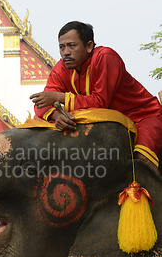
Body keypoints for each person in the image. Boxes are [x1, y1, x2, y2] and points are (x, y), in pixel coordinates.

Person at [30, 21, 162, 172]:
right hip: (107, 123)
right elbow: (42, 103)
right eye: (62, 47)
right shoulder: (60, 69)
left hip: (142, 116)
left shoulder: (105, 57)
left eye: (72, 46)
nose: (66, 52)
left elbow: (100, 102)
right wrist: (56, 115)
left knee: (142, 157)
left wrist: (60, 98)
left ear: (89, 46)